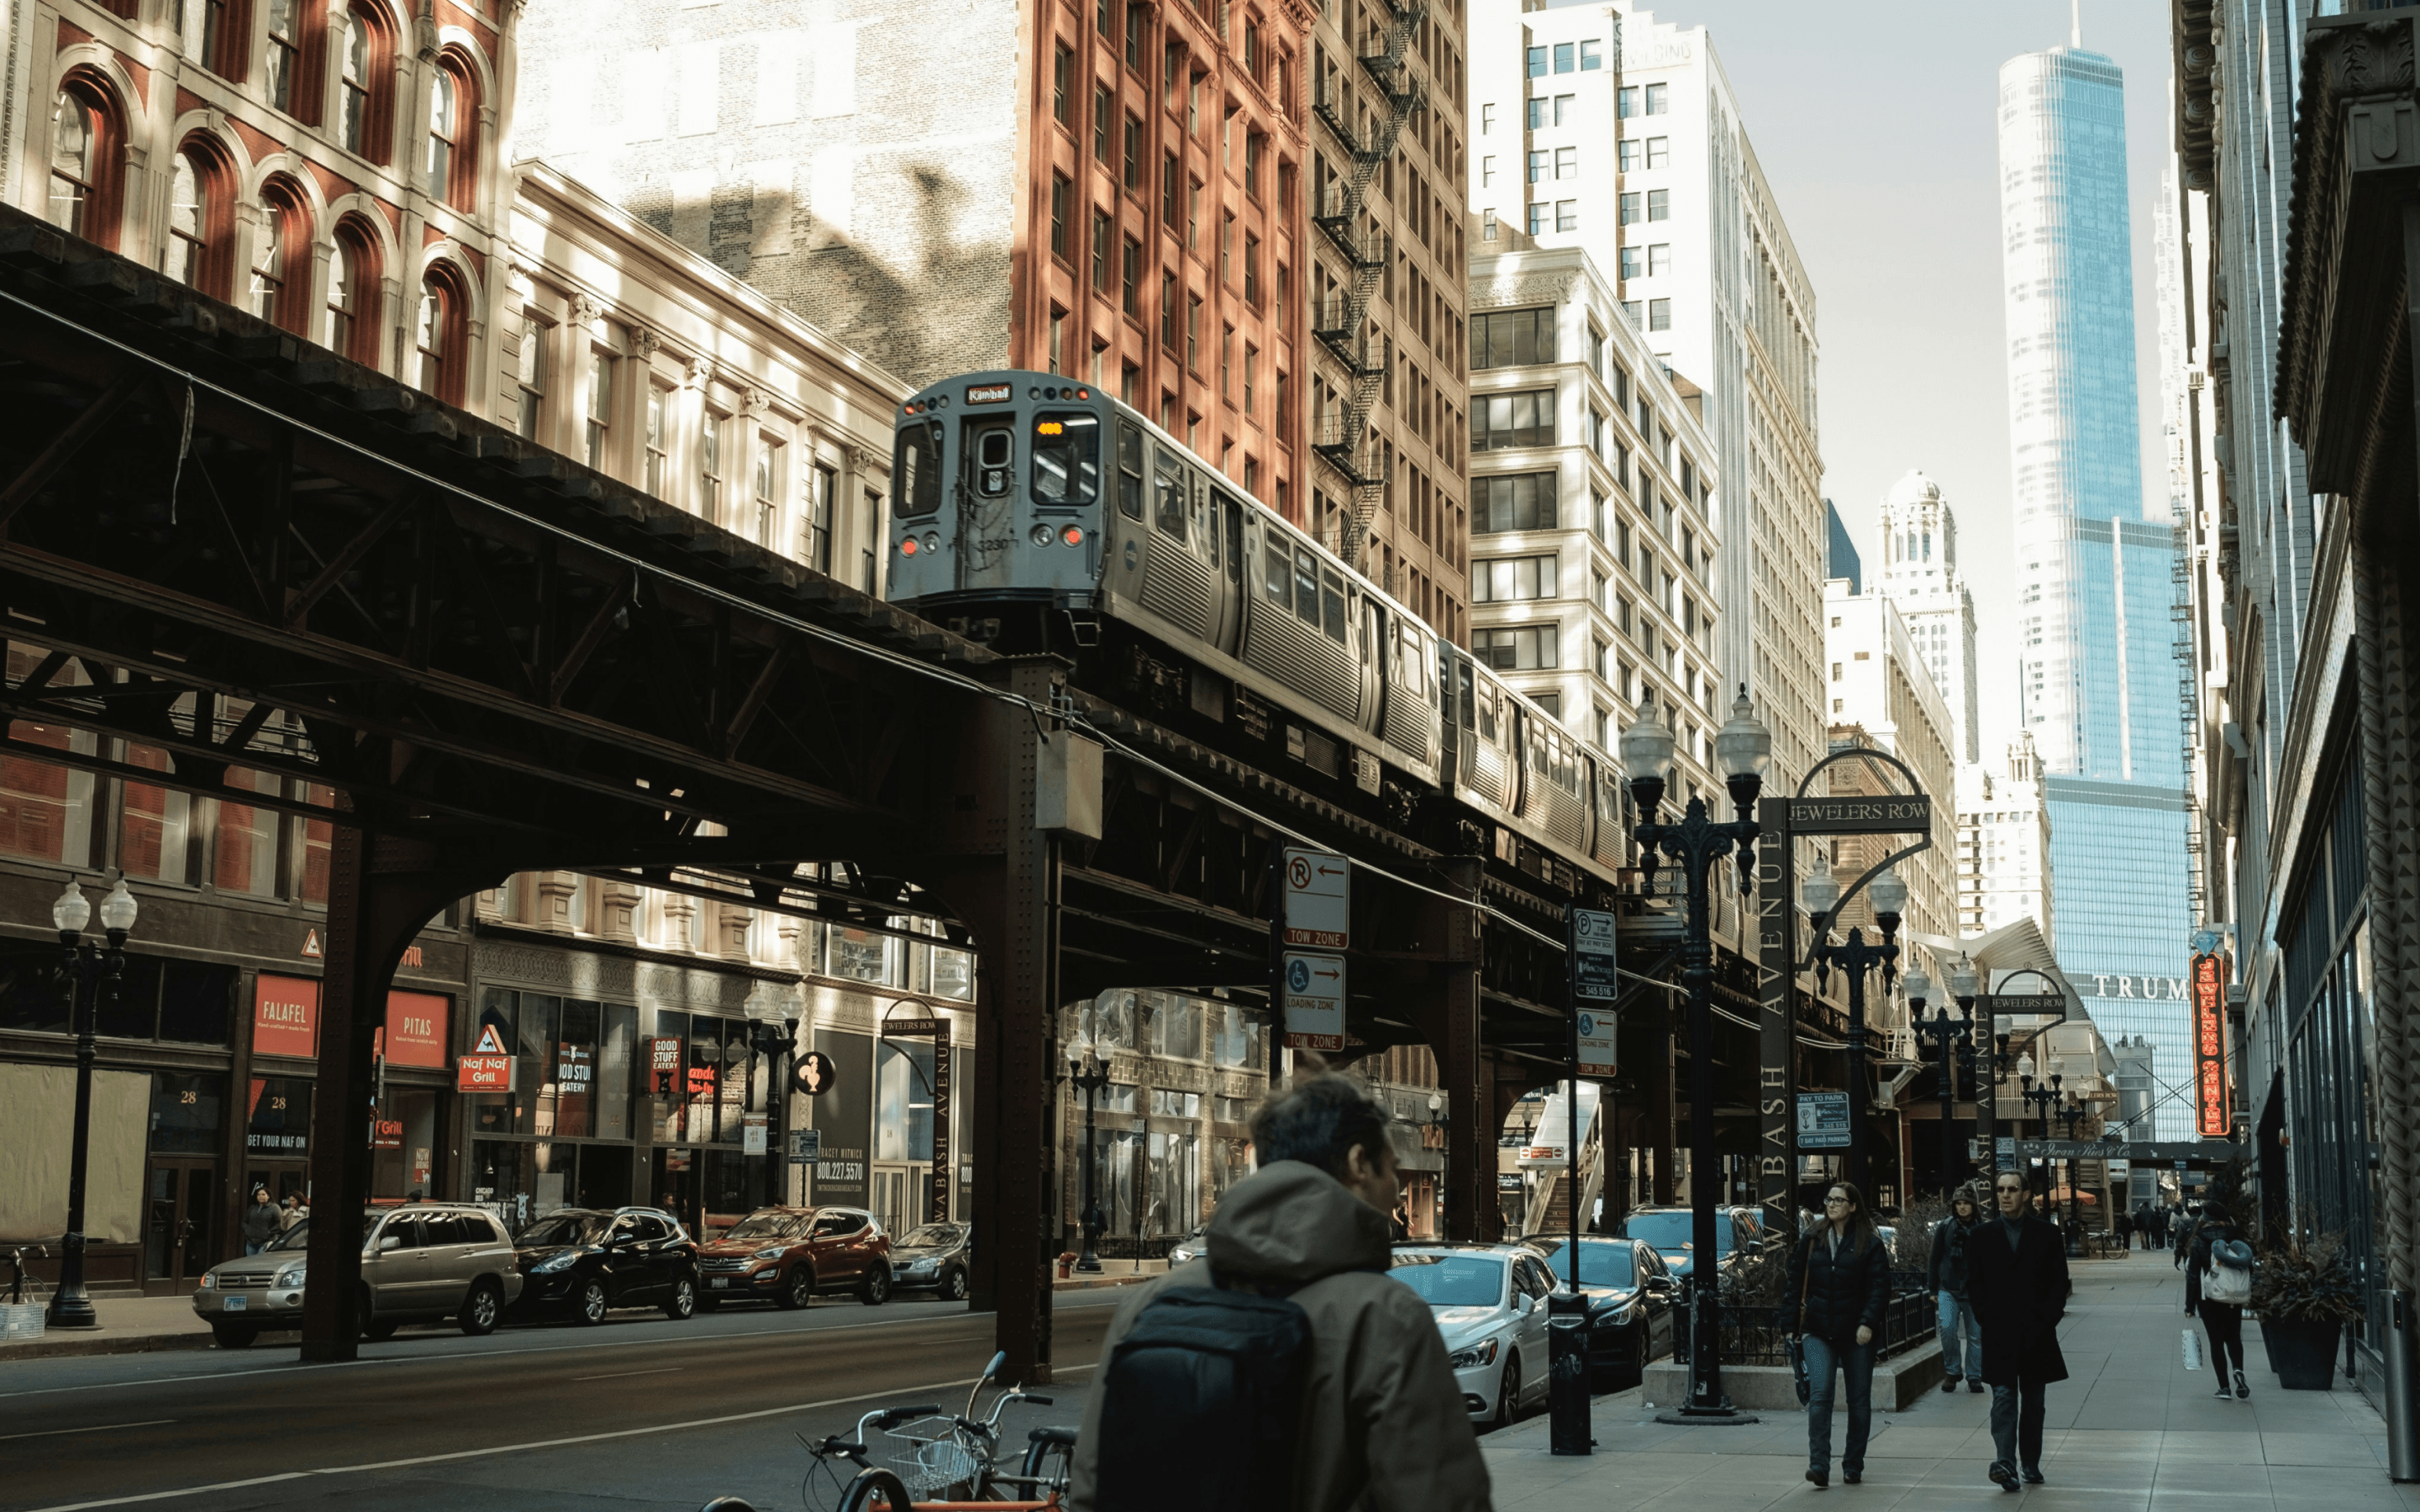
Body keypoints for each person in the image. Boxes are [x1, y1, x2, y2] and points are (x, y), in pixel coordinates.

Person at [1068, 1073, 1492, 1512]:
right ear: (1358, 1162)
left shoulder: (1147, 1304)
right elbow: (1444, 1499)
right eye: (1392, 1169)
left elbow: (1091, 1490)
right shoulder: (1386, 1317)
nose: (1399, 1190)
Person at [1965, 1170, 2071, 1491]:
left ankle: (2030, 1461)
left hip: (2037, 1332)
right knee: (2003, 1397)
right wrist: (1986, 1317)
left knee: (2034, 1401)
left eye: (2013, 1189)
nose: (2006, 1195)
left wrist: (2047, 1319)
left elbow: (2059, 1284)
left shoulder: (2048, 1235)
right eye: (2000, 1190)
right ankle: (2005, 1462)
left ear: (2026, 1194)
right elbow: (1975, 1284)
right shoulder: (1981, 1236)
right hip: (1999, 1331)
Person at [1785, 1181, 1892, 1488]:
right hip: (1817, 1330)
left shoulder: (1869, 1243)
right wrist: (1789, 1325)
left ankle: (1853, 1464)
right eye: (1829, 1199)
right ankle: (1818, 1464)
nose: (1832, 1205)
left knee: (1858, 1401)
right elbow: (1794, 1283)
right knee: (1820, 1396)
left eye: (1839, 1200)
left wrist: (1868, 1322)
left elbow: (1879, 1288)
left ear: (1853, 1206)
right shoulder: (1811, 1238)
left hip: (1857, 1333)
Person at [2186, 1199, 2253, 1399]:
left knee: (2216, 1341)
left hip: (2209, 1298)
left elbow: (2192, 1275)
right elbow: (2249, 1266)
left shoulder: (2199, 1239)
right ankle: (2238, 1370)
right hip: (2233, 1295)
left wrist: (2190, 1304)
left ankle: (2224, 1387)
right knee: (2233, 1337)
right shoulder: (2236, 1236)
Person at [1929, 1184, 1986, 1394]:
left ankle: (1974, 1376)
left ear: (1973, 1206)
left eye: (1966, 1203)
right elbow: (1934, 1258)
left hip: (1974, 1290)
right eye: (1958, 1203)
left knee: (1975, 1336)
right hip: (1948, 1287)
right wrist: (1933, 1289)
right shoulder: (1946, 1226)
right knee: (1947, 1329)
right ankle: (1953, 1371)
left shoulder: (1982, 1229)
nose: (1962, 1207)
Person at [240, 1187, 279, 1256]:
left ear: (268, 1196)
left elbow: (279, 1223)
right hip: (251, 1242)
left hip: (265, 1243)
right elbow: (245, 1221)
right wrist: (247, 1230)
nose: (260, 1196)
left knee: (260, 1264)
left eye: (263, 1194)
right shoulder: (253, 1207)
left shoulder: (274, 1208)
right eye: (258, 1195)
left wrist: (269, 1232)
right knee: (250, 1263)